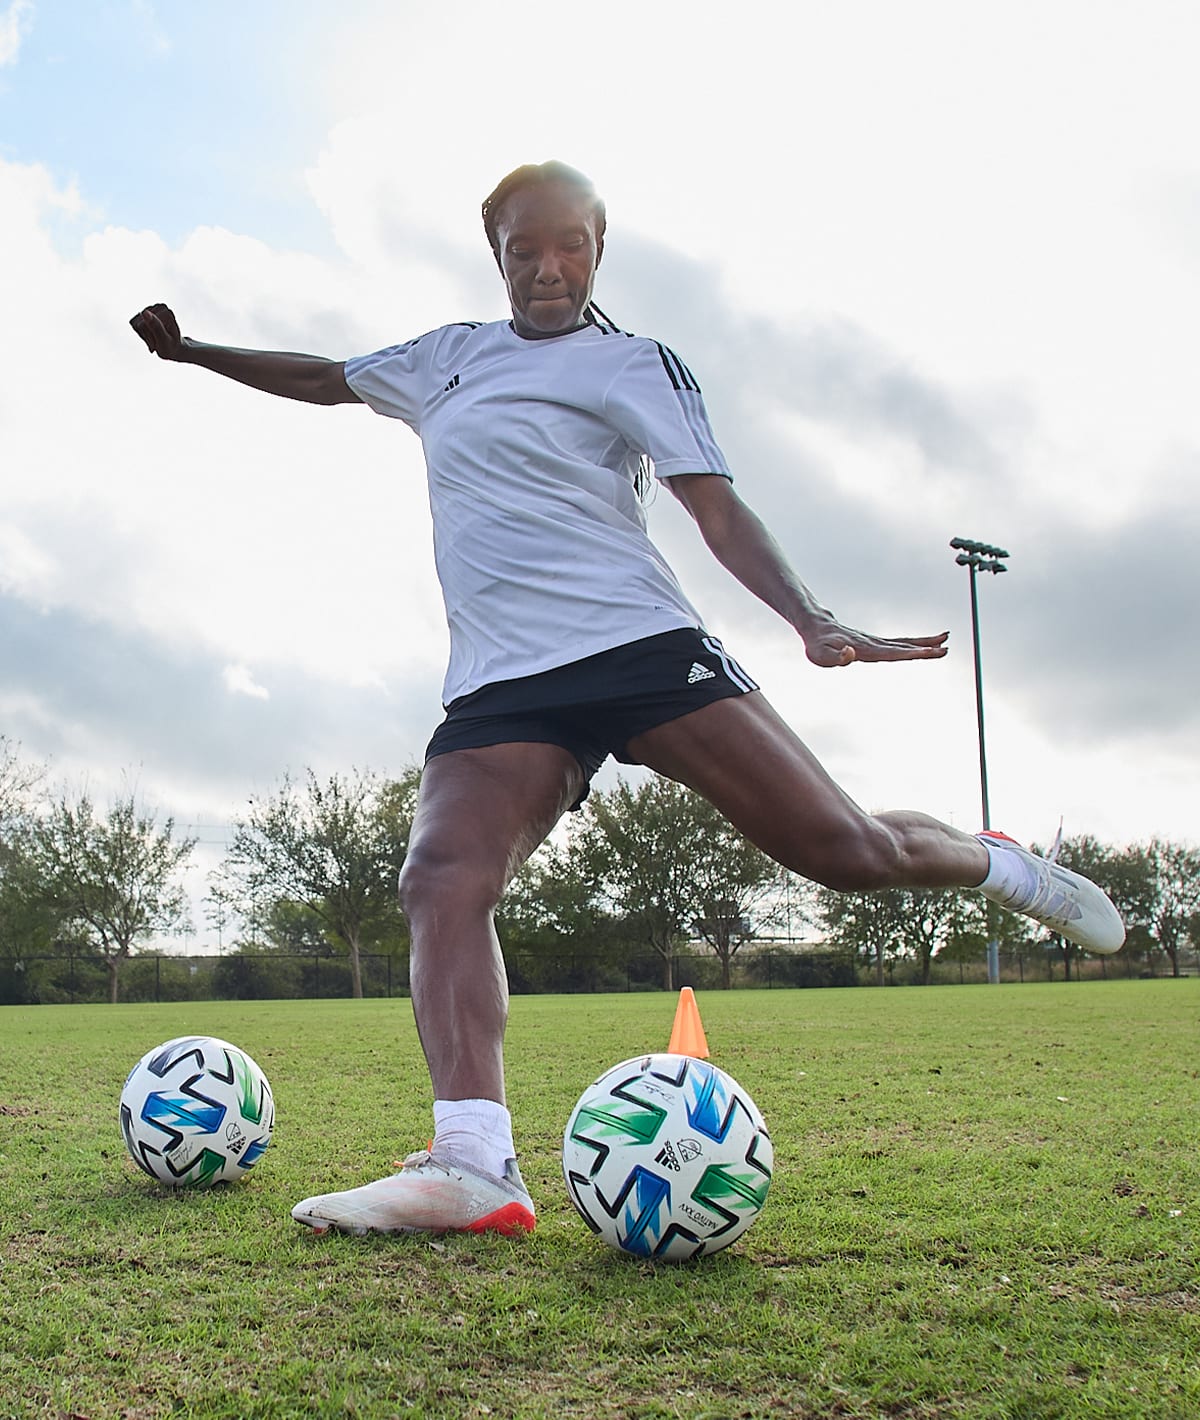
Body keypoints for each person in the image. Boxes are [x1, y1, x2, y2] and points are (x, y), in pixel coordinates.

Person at [131, 160, 1124, 1239]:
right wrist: (192, 353)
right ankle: (473, 1163)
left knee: (844, 851)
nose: (548, 267)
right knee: (442, 874)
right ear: (497, 252)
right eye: (524, 248)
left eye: (571, 245)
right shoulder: (445, 361)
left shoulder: (636, 364)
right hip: (505, 682)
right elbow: (328, 375)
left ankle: (1002, 861)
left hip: (636, 646)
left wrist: (810, 616)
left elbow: (715, 507)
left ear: (600, 248)